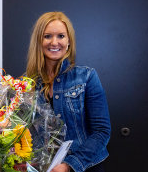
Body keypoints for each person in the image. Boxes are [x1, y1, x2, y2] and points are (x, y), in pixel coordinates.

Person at [25, 12, 111, 172]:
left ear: (69, 41)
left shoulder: (86, 77)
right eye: (47, 36)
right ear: (39, 41)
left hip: (86, 167)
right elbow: (23, 134)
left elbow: (102, 131)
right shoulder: (26, 84)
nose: (54, 42)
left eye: (61, 36)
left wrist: (70, 164)